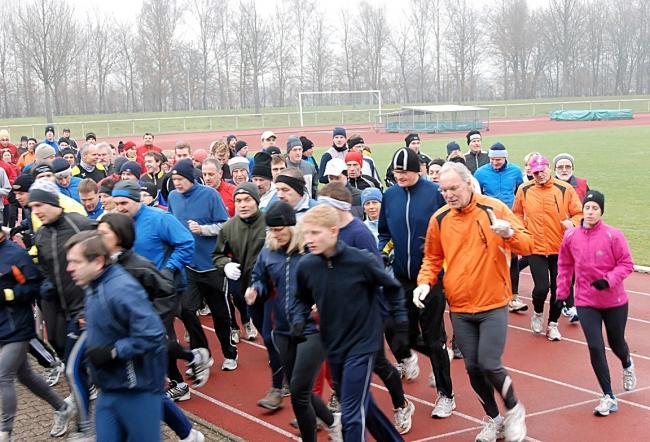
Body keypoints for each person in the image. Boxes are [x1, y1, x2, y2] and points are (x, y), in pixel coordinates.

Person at [416, 162, 532, 442]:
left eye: (453, 188)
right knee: (471, 368)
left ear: (469, 184)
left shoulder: (493, 209)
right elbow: (431, 258)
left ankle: (515, 409)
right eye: (444, 190)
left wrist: (509, 234)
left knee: (489, 362)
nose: (449, 194)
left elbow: (528, 245)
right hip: (459, 306)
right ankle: (493, 419)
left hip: (492, 302)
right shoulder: (440, 218)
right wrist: (423, 282)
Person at [293, 204, 409, 441]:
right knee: (363, 403)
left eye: (316, 233)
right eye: (306, 233)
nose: (309, 239)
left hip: (363, 344)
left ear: (333, 231)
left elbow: (393, 287)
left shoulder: (361, 261)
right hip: (334, 345)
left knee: (351, 414)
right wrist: (298, 320)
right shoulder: (307, 266)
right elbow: (300, 299)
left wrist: (400, 320)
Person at [97, 214, 207, 441]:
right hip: (121, 346)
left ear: (119, 237)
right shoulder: (102, 265)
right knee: (147, 392)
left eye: (103, 233)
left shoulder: (139, 267)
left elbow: (167, 292)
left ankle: (192, 359)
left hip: (138, 343)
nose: (98, 237)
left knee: (145, 390)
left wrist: (145, 320)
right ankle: (189, 433)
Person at [245, 201, 342, 440]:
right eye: (270, 230)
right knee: (303, 391)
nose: (274, 235)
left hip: (313, 328)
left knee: (298, 392)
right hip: (283, 328)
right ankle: (333, 422)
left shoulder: (310, 250)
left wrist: (322, 300)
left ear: (292, 227)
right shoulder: (268, 251)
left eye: (278, 230)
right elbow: (259, 277)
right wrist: (254, 289)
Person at [65, 231, 167, 442]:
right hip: (110, 388)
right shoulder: (93, 286)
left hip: (136, 392)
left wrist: (113, 352)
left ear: (98, 261)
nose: (69, 268)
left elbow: (153, 334)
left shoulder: (121, 289)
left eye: (76, 262)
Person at [378, 147, 455, 419]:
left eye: (406, 171)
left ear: (418, 170)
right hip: (401, 276)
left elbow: (451, 231)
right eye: (397, 171)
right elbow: (384, 232)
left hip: (431, 276)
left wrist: (441, 261)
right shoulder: (390, 196)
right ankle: (435, 357)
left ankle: (446, 395)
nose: (400, 176)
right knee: (402, 332)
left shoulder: (434, 195)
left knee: (434, 338)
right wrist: (382, 252)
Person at [111, 180, 196, 401]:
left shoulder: (160, 218)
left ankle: (179, 382)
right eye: (116, 203)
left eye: (124, 202)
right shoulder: (119, 223)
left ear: (137, 199)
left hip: (164, 289)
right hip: (137, 291)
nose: (119, 207)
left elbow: (186, 243)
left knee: (157, 335)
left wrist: (169, 268)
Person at [556, 190, 636, 416]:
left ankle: (627, 364)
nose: (590, 212)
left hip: (614, 300)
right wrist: (562, 294)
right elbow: (565, 265)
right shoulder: (571, 236)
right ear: (582, 209)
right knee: (594, 345)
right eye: (587, 208)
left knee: (616, 342)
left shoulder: (613, 235)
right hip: (585, 300)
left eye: (595, 208)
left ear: (601, 211)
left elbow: (627, 263)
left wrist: (608, 280)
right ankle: (608, 396)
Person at [0, 228, 76, 440]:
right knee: (25, 375)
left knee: (3, 376)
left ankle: (6, 433)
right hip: (1, 326)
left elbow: (35, 287)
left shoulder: (16, 255)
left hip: (17, 327)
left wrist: (8, 294)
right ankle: (62, 408)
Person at [167, 159, 237, 374]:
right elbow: (171, 222)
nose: (177, 183)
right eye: (174, 179)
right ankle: (202, 354)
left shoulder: (209, 195)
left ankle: (229, 353)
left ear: (191, 178)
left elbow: (225, 224)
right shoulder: (172, 196)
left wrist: (203, 230)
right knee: (187, 311)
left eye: (180, 179)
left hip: (212, 265)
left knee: (220, 315)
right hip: (188, 266)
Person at [512, 154, 582, 341]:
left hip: (560, 247)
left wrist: (573, 224)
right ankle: (538, 312)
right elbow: (517, 213)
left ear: (548, 168)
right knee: (541, 288)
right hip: (535, 246)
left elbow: (579, 213)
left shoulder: (564, 189)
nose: (540, 175)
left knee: (559, 289)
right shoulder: (524, 189)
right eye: (535, 173)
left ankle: (553, 324)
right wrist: (522, 229)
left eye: (542, 171)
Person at [211, 183, 266, 370]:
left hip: (269, 284)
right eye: (238, 200)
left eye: (247, 200)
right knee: (259, 321)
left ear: (256, 201)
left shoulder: (269, 223)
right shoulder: (228, 227)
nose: (242, 204)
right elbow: (217, 255)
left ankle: (278, 356)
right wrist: (225, 265)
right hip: (242, 284)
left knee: (273, 324)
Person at [474, 143, 527, 313]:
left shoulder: (516, 171)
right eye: (492, 159)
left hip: (510, 220)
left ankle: (513, 297)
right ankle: (487, 293)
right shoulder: (481, 173)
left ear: (506, 157)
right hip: (488, 221)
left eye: (498, 159)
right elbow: (476, 196)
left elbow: (521, 193)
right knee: (488, 257)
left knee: (512, 259)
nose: (495, 162)